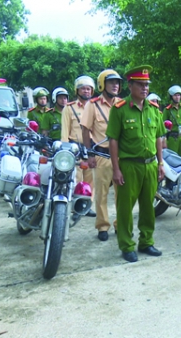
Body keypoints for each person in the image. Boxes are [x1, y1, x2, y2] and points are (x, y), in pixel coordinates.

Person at [106, 65, 165, 263]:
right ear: (130, 86)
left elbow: (158, 137)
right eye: (140, 84)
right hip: (129, 166)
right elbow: (113, 140)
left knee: (148, 206)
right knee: (125, 208)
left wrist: (161, 163)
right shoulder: (120, 109)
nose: (145, 88)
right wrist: (116, 169)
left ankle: (146, 242)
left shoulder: (154, 109)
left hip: (150, 165)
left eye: (147, 85)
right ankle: (126, 245)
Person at [81, 69, 122, 241]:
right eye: (111, 82)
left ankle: (121, 224)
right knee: (101, 194)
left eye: (118, 82)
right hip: (102, 156)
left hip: (121, 157)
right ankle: (103, 226)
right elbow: (85, 129)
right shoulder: (93, 104)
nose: (116, 85)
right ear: (102, 84)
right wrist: (89, 154)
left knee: (123, 194)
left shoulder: (122, 104)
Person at [61, 75, 96, 217]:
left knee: (91, 179)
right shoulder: (69, 108)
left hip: (91, 149)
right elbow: (64, 131)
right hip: (75, 148)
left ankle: (86, 205)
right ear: (77, 91)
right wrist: (65, 150)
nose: (86, 91)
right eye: (83, 89)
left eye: (88, 89)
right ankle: (76, 206)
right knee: (76, 178)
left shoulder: (95, 107)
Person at [162, 85, 181, 159]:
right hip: (172, 138)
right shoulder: (167, 110)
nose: (177, 97)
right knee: (172, 159)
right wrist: (164, 140)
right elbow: (163, 126)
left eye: (179, 95)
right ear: (171, 96)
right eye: (175, 95)